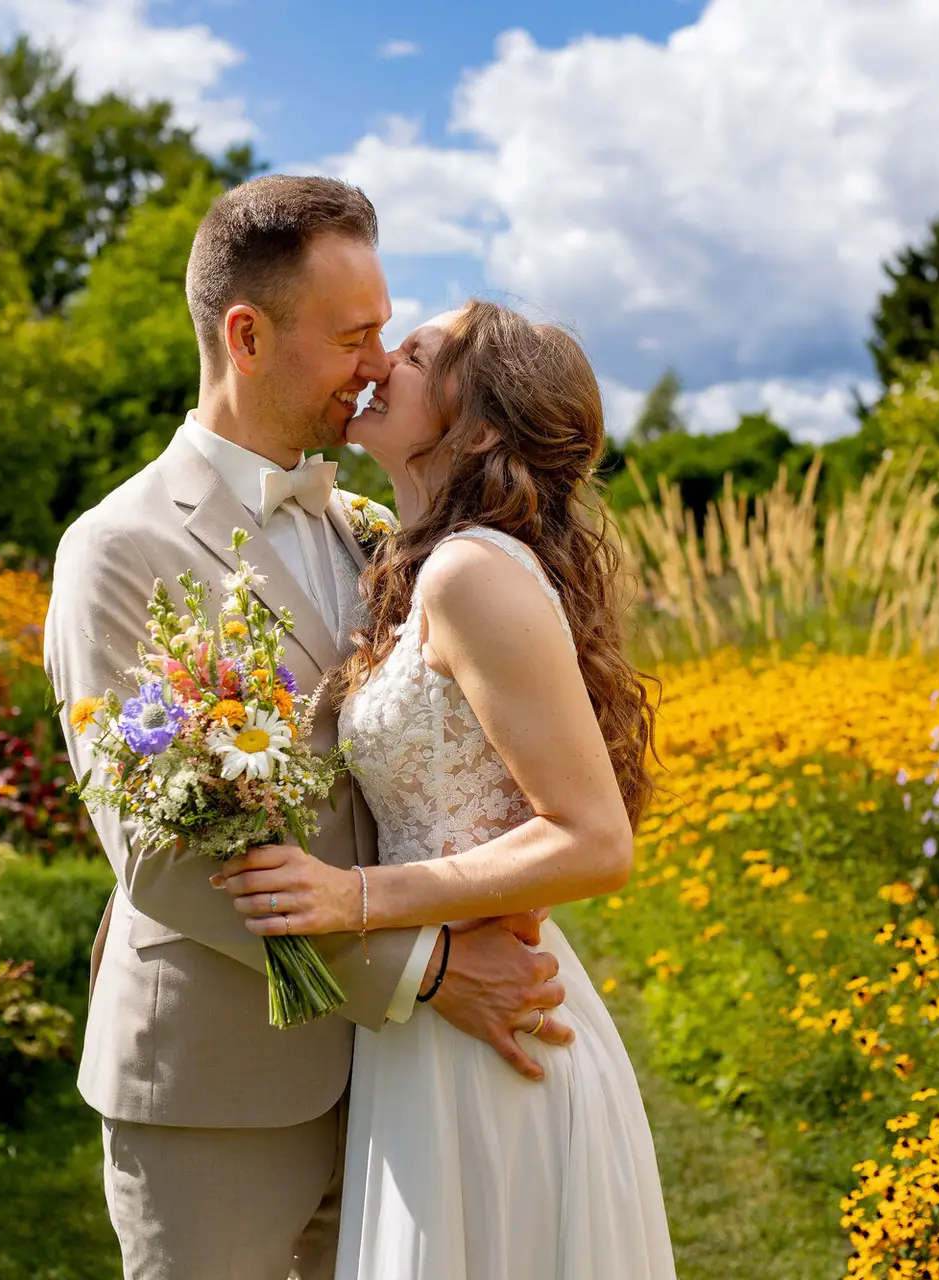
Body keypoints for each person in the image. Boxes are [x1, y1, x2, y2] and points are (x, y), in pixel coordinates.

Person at [43, 176, 574, 1280]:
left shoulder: (370, 525)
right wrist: (422, 969)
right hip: (217, 1087)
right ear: (247, 334)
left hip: (404, 1085)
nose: (378, 363)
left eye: (385, 332)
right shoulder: (118, 549)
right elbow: (160, 856)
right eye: (353, 336)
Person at [214, 299, 677, 1278]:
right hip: (431, 1021)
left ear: (477, 425)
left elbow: (596, 839)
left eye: (415, 351)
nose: (380, 359)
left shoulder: (471, 574)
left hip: (493, 1037)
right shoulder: (408, 567)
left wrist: (359, 898)